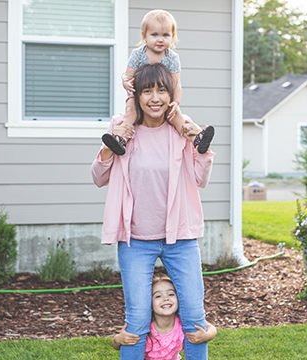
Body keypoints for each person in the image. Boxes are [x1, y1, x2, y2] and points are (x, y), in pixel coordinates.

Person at [91, 63, 215, 359]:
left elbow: (201, 179)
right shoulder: (122, 128)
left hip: (180, 238)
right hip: (135, 240)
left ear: (171, 95)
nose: (155, 98)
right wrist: (109, 148)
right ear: (137, 96)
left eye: (161, 90)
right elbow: (98, 177)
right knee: (136, 320)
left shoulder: (180, 130)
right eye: (147, 91)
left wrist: (201, 147)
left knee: (194, 317)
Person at [101, 9, 214, 156]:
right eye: (154, 35)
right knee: (130, 114)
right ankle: (120, 139)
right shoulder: (138, 54)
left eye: (165, 35)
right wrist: (126, 84)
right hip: (138, 96)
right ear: (144, 36)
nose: (160, 39)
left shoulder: (172, 57)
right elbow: (127, 76)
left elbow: (175, 83)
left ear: (172, 37)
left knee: (177, 117)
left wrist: (176, 102)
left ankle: (196, 139)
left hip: (163, 98)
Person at [112, 274, 217, 359]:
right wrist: (118, 339)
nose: (165, 298)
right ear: (150, 304)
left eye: (171, 294)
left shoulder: (182, 321)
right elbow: (117, 346)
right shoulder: (144, 326)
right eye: (158, 296)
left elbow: (211, 328)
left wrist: (207, 336)